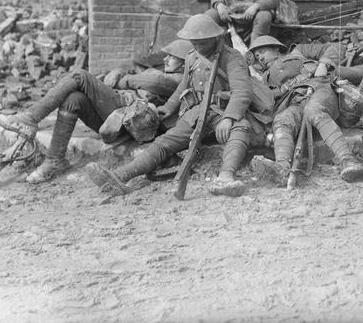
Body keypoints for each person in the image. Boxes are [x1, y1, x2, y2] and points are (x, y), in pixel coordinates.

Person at [86, 14, 257, 197]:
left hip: (222, 111)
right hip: (197, 113)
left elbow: (242, 91)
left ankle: (226, 177)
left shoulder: (232, 58)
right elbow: (183, 86)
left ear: (215, 38)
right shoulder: (192, 56)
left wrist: (229, 118)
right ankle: (120, 176)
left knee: (241, 127)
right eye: (194, 43)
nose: (198, 47)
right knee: (165, 142)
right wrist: (168, 107)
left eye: (203, 43)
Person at [1, 39, 191, 184]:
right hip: (120, 120)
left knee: (80, 76)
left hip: (132, 121)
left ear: (183, 62)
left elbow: (153, 82)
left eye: (171, 56)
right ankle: (54, 159)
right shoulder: (167, 73)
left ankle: (31, 116)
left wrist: (123, 79)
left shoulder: (176, 78)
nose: (165, 58)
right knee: (73, 99)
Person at [247, 36, 363, 186]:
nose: (260, 58)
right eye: (257, 56)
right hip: (295, 102)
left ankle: (349, 161)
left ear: (276, 48)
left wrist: (324, 64)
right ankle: (282, 168)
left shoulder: (298, 51)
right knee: (282, 120)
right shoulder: (264, 79)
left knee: (314, 111)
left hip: (320, 88)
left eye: (262, 52)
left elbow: (337, 47)